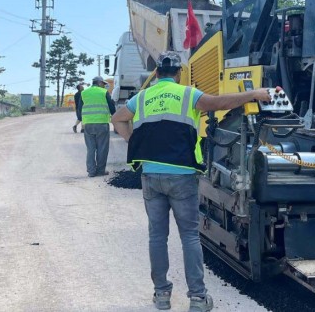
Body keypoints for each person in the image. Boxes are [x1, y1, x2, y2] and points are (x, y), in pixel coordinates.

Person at [111, 51, 271, 312]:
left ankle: (162, 295)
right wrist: (254, 94)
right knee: (189, 237)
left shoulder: (141, 97)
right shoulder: (188, 94)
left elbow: (117, 119)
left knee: (157, 236)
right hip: (182, 176)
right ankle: (197, 298)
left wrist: (136, 144)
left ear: (157, 73)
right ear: (178, 74)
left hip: (151, 175)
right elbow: (219, 103)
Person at [79, 76, 116, 177]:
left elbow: (79, 109)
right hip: (102, 123)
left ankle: (91, 171)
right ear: (99, 83)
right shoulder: (104, 92)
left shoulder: (84, 93)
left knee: (90, 149)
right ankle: (100, 171)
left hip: (88, 124)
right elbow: (111, 107)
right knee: (102, 148)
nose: (104, 86)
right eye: (103, 84)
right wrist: (115, 116)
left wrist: (82, 120)